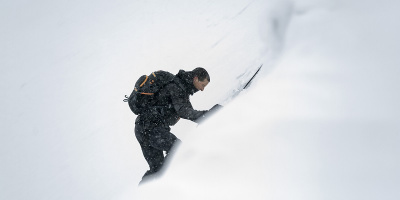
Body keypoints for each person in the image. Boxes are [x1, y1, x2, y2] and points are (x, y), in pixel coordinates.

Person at [134, 67, 221, 184]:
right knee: (177, 149)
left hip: (142, 129)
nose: (202, 90)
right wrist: (211, 115)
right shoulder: (177, 87)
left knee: (157, 169)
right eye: (203, 85)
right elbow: (185, 111)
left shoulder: (179, 86)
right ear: (195, 79)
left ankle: (142, 194)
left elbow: (186, 110)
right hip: (151, 129)